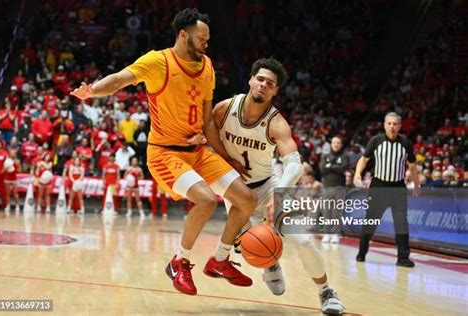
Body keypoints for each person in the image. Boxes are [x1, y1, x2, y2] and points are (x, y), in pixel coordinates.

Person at [71, 8, 257, 296]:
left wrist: (225, 155)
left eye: (207, 38)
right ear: (184, 35)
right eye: (201, 38)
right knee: (206, 201)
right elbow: (120, 79)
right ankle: (179, 262)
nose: (207, 44)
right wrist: (92, 90)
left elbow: (207, 120)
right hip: (165, 153)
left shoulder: (206, 65)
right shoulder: (158, 61)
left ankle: (219, 260)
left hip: (198, 150)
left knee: (247, 199)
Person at [191, 58, 345, 314]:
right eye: (260, 79)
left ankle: (326, 292)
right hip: (235, 190)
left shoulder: (276, 123)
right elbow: (205, 132)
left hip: (268, 186)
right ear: (251, 80)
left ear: (275, 91)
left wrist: (279, 194)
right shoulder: (225, 108)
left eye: (270, 83)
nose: (263, 85)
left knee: (303, 241)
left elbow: (295, 164)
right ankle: (270, 264)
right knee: (256, 243)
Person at [354, 112, 420, 268]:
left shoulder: (406, 143)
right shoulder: (376, 141)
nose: (392, 126)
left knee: (401, 222)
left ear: (400, 126)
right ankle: (362, 252)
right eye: (389, 123)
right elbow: (364, 160)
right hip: (379, 186)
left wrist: (417, 185)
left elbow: (412, 165)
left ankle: (403, 257)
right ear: (384, 125)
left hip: (398, 187)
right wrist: (357, 173)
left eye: (395, 124)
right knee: (371, 221)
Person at [319, 136, 349, 243]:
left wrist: (330, 167)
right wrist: (335, 167)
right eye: (334, 142)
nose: (336, 145)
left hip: (339, 187)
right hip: (326, 186)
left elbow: (343, 168)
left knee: (337, 212)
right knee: (326, 211)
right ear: (331, 144)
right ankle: (326, 233)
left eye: (338, 143)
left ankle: (335, 234)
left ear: (341, 145)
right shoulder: (325, 156)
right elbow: (322, 169)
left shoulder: (345, 156)